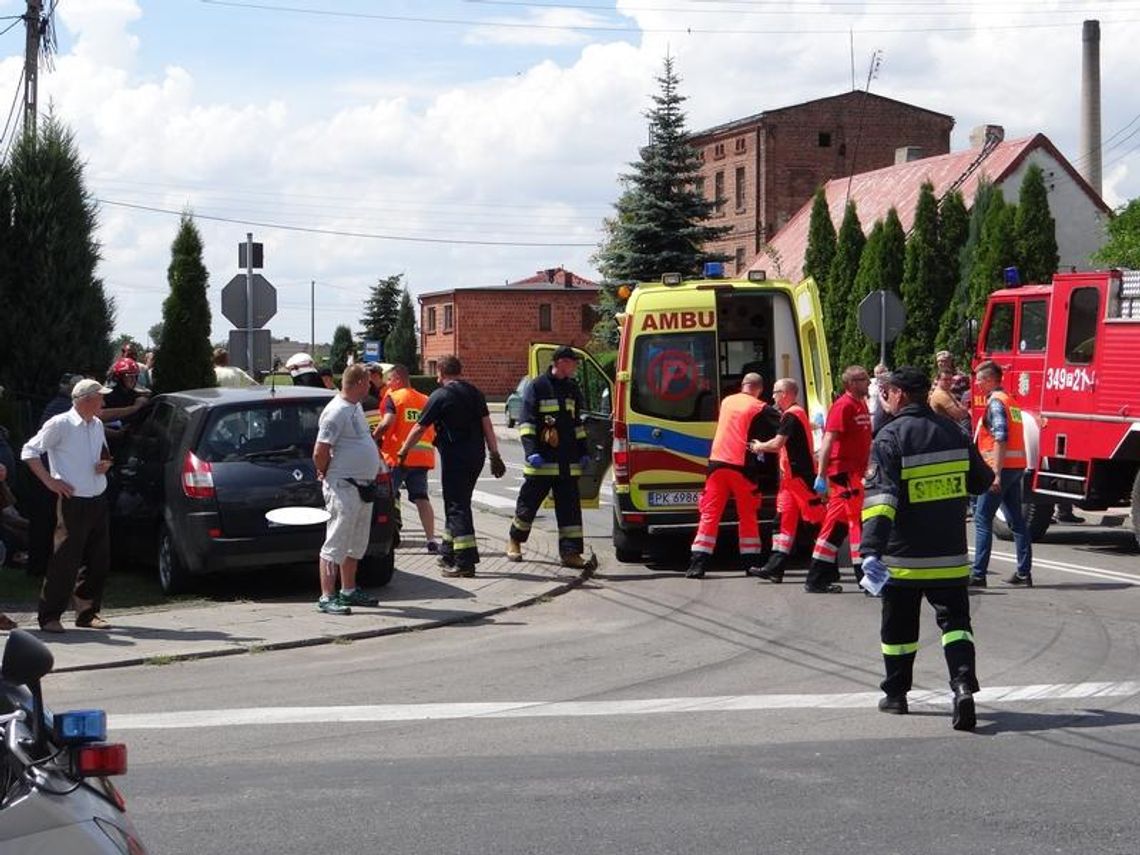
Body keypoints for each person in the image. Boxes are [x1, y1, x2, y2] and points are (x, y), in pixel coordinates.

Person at [860, 367, 994, 729]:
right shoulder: (954, 431)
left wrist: (869, 550)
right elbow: (982, 481)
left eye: (886, 392)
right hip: (949, 556)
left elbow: (881, 501)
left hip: (903, 559)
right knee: (956, 626)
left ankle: (896, 695)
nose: (884, 398)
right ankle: (963, 685)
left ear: (900, 395)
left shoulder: (890, 438)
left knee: (899, 632)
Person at [20, 379, 116, 633]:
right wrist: (50, 481)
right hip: (73, 501)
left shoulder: (95, 424)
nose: (104, 403)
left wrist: (105, 463)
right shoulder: (60, 423)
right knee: (65, 559)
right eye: (100, 398)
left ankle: (87, 613)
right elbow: (29, 451)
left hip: (98, 497)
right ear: (85, 400)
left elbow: (103, 453)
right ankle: (50, 616)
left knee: (99, 559)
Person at [396, 356, 505, 577]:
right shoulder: (475, 393)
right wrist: (495, 454)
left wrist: (403, 450)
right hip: (477, 456)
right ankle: (448, 552)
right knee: (459, 501)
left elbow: (419, 428)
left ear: (441, 374)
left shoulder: (440, 396)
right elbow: (488, 426)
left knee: (457, 506)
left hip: (456, 457)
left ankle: (465, 562)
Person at [507, 347, 596, 570]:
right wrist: (531, 452)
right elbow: (527, 422)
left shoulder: (572, 388)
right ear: (561, 362)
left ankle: (571, 553)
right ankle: (515, 542)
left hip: (567, 462)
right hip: (542, 463)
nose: (575, 366)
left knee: (570, 511)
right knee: (528, 506)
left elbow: (577, 425)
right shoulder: (537, 386)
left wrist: (583, 452)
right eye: (573, 362)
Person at [685, 372, 779, 579]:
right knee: (747, 514)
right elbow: (782, 425)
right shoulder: (758, 406)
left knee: (710, 515)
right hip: (741, 466)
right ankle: (750, 563)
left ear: (743, 385)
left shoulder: (727, 401)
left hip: (717, 464)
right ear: (759, 389)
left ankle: (697, 565)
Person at [312, 364, 384, 615]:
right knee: (336, 541)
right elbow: (320, 451)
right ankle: (327, 596)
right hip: (343, 486)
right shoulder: (336, 412)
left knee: (355, 542)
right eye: (368, 382)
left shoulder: (354, 407)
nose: (371, 386)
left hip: (362, 486)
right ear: (359, 383)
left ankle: (349, 590)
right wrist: (325, 470)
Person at [748, 378, 824, 583]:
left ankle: (827, 568)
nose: (772, 396)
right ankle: (774, 568)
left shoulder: (791, 415)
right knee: (781, 524)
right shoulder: (793, 414)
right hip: (790, 481)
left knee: (816, 523)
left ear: (786, 394)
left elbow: (777, 444)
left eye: (775, 392)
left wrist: (758, 447)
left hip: (800, 478)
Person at [805, 366, 873, 593]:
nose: (868, 382)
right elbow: (827, 442)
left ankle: (816, 579)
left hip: (853, 473)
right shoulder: (843, 406)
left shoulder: (860, 403)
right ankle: (866, 579)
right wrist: (821, 475)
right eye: (863, 379)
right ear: (851, 383)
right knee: (856, 525)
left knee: (835, 528)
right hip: (843, 473)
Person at [970, 360, 1033, 587]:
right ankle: (1024, 573)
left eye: (979, 379)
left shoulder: (996, 403)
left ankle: (978, 574)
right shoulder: (1010, 401)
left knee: (982, 519)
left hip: (1000, 468)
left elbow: (1001, 437)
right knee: (1017, 520)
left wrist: (995, 473)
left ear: (989, 380)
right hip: (1015, 468)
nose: (976, 384)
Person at [374, 364, 438, 554]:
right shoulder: (425, 400)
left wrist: (372, 438)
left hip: (398, 457)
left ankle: (389, 537)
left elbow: (387, 422)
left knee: (388, 497)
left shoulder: (393, 398)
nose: (388, 383)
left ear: (398, 380)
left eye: (390, 380)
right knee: (422, 498)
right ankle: (432, 540)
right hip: (421, 458)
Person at [929, 368, 971, 435]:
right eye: (945, 379)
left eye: (950, 379)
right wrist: (963, 409)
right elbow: (960, 414)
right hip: (944, 432)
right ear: (938, 380)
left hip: (949, 431)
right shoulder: (941, 395)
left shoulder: (947, 392)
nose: (949, 382)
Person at [867, 363, 891, 434]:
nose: (879, 375)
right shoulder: (871, 383)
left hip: (884, 421)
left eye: (881, 372)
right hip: (871, 414)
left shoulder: (890, 384)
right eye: (877, 373)